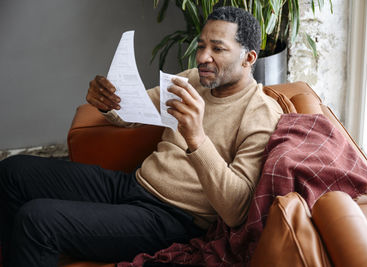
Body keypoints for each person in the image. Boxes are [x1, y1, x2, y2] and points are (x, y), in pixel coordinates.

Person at [0, 6, 282, 267]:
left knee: (37, 220)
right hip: (134, 185)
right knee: (12, 172)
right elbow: (133, 110)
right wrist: (106, 101)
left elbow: (236, 210)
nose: (202, 57)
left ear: (248, 58)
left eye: (217, 48)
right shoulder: (196, 79)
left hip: (173, 220)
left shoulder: (260, 115)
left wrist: (197, 138)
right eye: (201, 45)